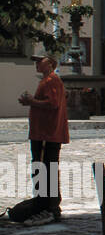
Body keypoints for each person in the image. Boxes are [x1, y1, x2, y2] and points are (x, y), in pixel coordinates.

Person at [4, 55, 70, 225]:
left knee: (43, 168)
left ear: (49, 63)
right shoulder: (48, 80)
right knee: (45, 168)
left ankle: (46, 207)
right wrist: (31, 102)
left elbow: (52, 103)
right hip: (44, 133)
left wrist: (31, 101)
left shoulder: (51, 80)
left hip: (46, 133)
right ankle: (47, 205)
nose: (36, 64)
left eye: (39, 61)